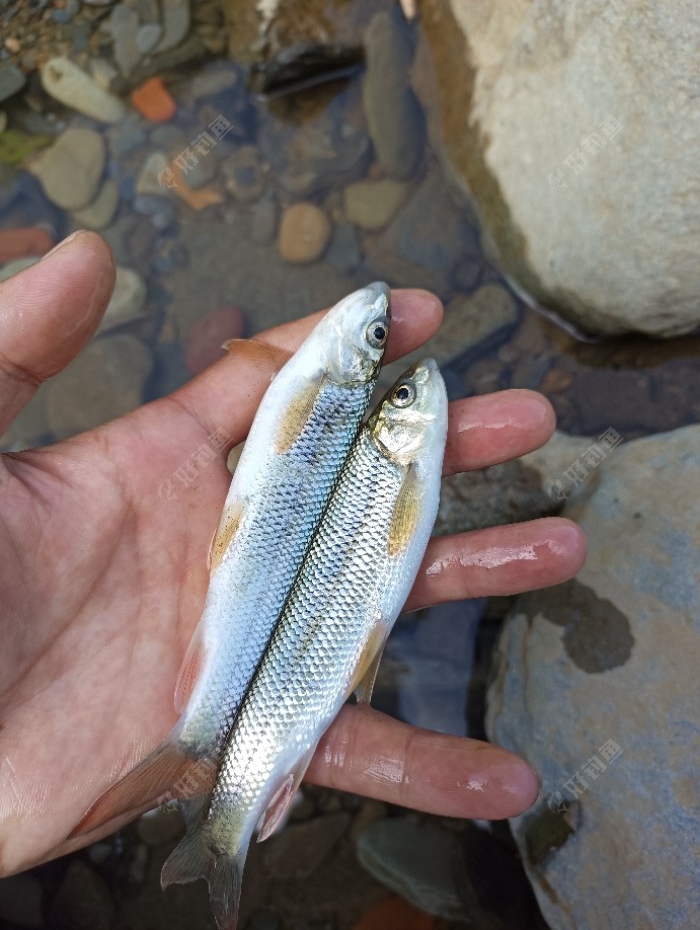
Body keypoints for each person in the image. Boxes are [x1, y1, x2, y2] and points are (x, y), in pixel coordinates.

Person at [0, 231, 586, 877]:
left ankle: (218, 802)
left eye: (399, 396)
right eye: (382, 355)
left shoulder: (343, 403)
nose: (377, 317)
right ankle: (207, 762)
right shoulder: (338, 387)